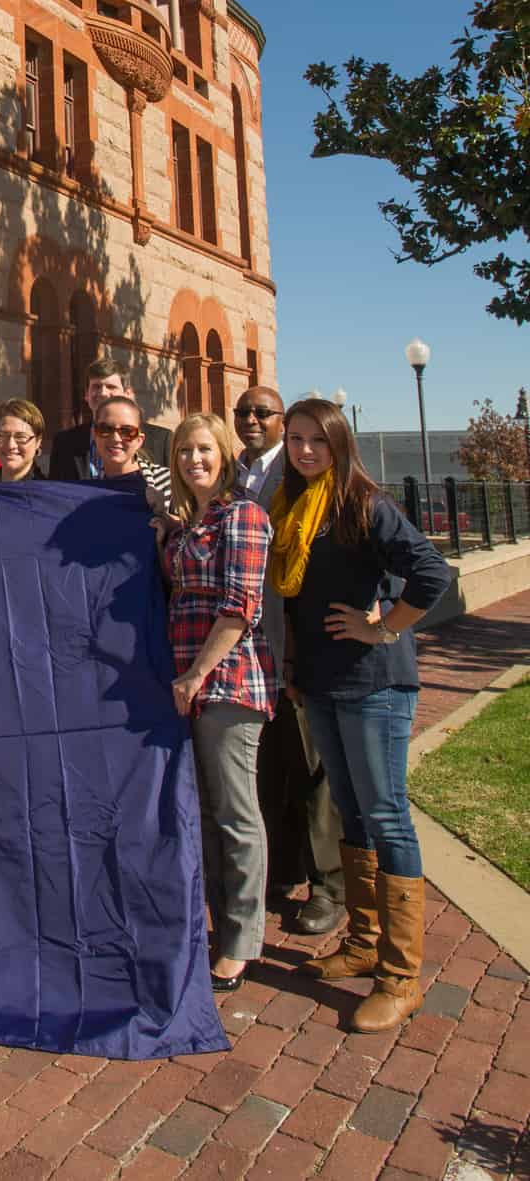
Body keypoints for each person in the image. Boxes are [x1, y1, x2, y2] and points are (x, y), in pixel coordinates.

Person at [276, 399, 451, 1032]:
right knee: (350, 812)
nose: (303, 451)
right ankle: (363, 942)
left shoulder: (364, 504)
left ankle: (401, 976)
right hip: (322, 684)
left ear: (339, 443)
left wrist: (384, 627)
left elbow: (433, 574)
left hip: (374, 685)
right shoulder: (296, 508)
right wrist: (295, 669)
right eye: (295, 439)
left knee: (386, 816)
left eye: (316, 441)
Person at [162, 414, 277, 993]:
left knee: (236, 814)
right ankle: (215, 923)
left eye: (203, 449)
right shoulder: (189, 522)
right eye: (184, 451)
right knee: (204, 813)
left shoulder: (244, 515)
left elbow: (240, 607)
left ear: (224, 454)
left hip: (227, 685)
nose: (193, 460)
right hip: (190, 686)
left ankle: (241, 940)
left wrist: (196, 675)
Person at [240, 386, 345, 938]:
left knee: (314, 771)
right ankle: (283, 870)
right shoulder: (240, 472)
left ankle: (330, 886)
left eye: (263, 412)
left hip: (300, 647)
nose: (252, 420)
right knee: (274, 766)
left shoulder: (306, 473)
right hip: (257, 646)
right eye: (244, 413)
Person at [48, 357, 172, 485]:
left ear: (127, 393)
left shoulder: (161, 441)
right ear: (86, 395)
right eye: (96, 387)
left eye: (111, 387)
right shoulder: (64, 443)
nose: (103, 393)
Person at [87, 394, 172, 506]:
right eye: (106, 429)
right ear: (95, 435)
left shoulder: (169, 484)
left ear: (139, 440)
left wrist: (164, 517)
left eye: (127, 431)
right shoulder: (84, 490)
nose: (116, 439)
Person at [0, 399, 49, 483]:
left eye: (21, 437)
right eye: (2, 435)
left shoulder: (48, 493)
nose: (11, 445)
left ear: (38, 442)